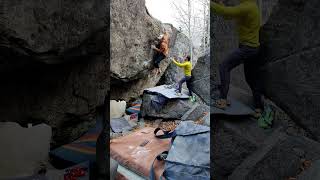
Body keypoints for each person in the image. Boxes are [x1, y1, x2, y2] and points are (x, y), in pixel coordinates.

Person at [211, 0, 263, 117]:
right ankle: (258, 107)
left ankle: (222, 100)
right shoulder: (250, 5)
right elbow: (227, 15)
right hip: (254, 48)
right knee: (251, 78)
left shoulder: (247, 7)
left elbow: (226, 12)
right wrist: (220, 4)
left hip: (247, 49)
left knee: (224, 66)